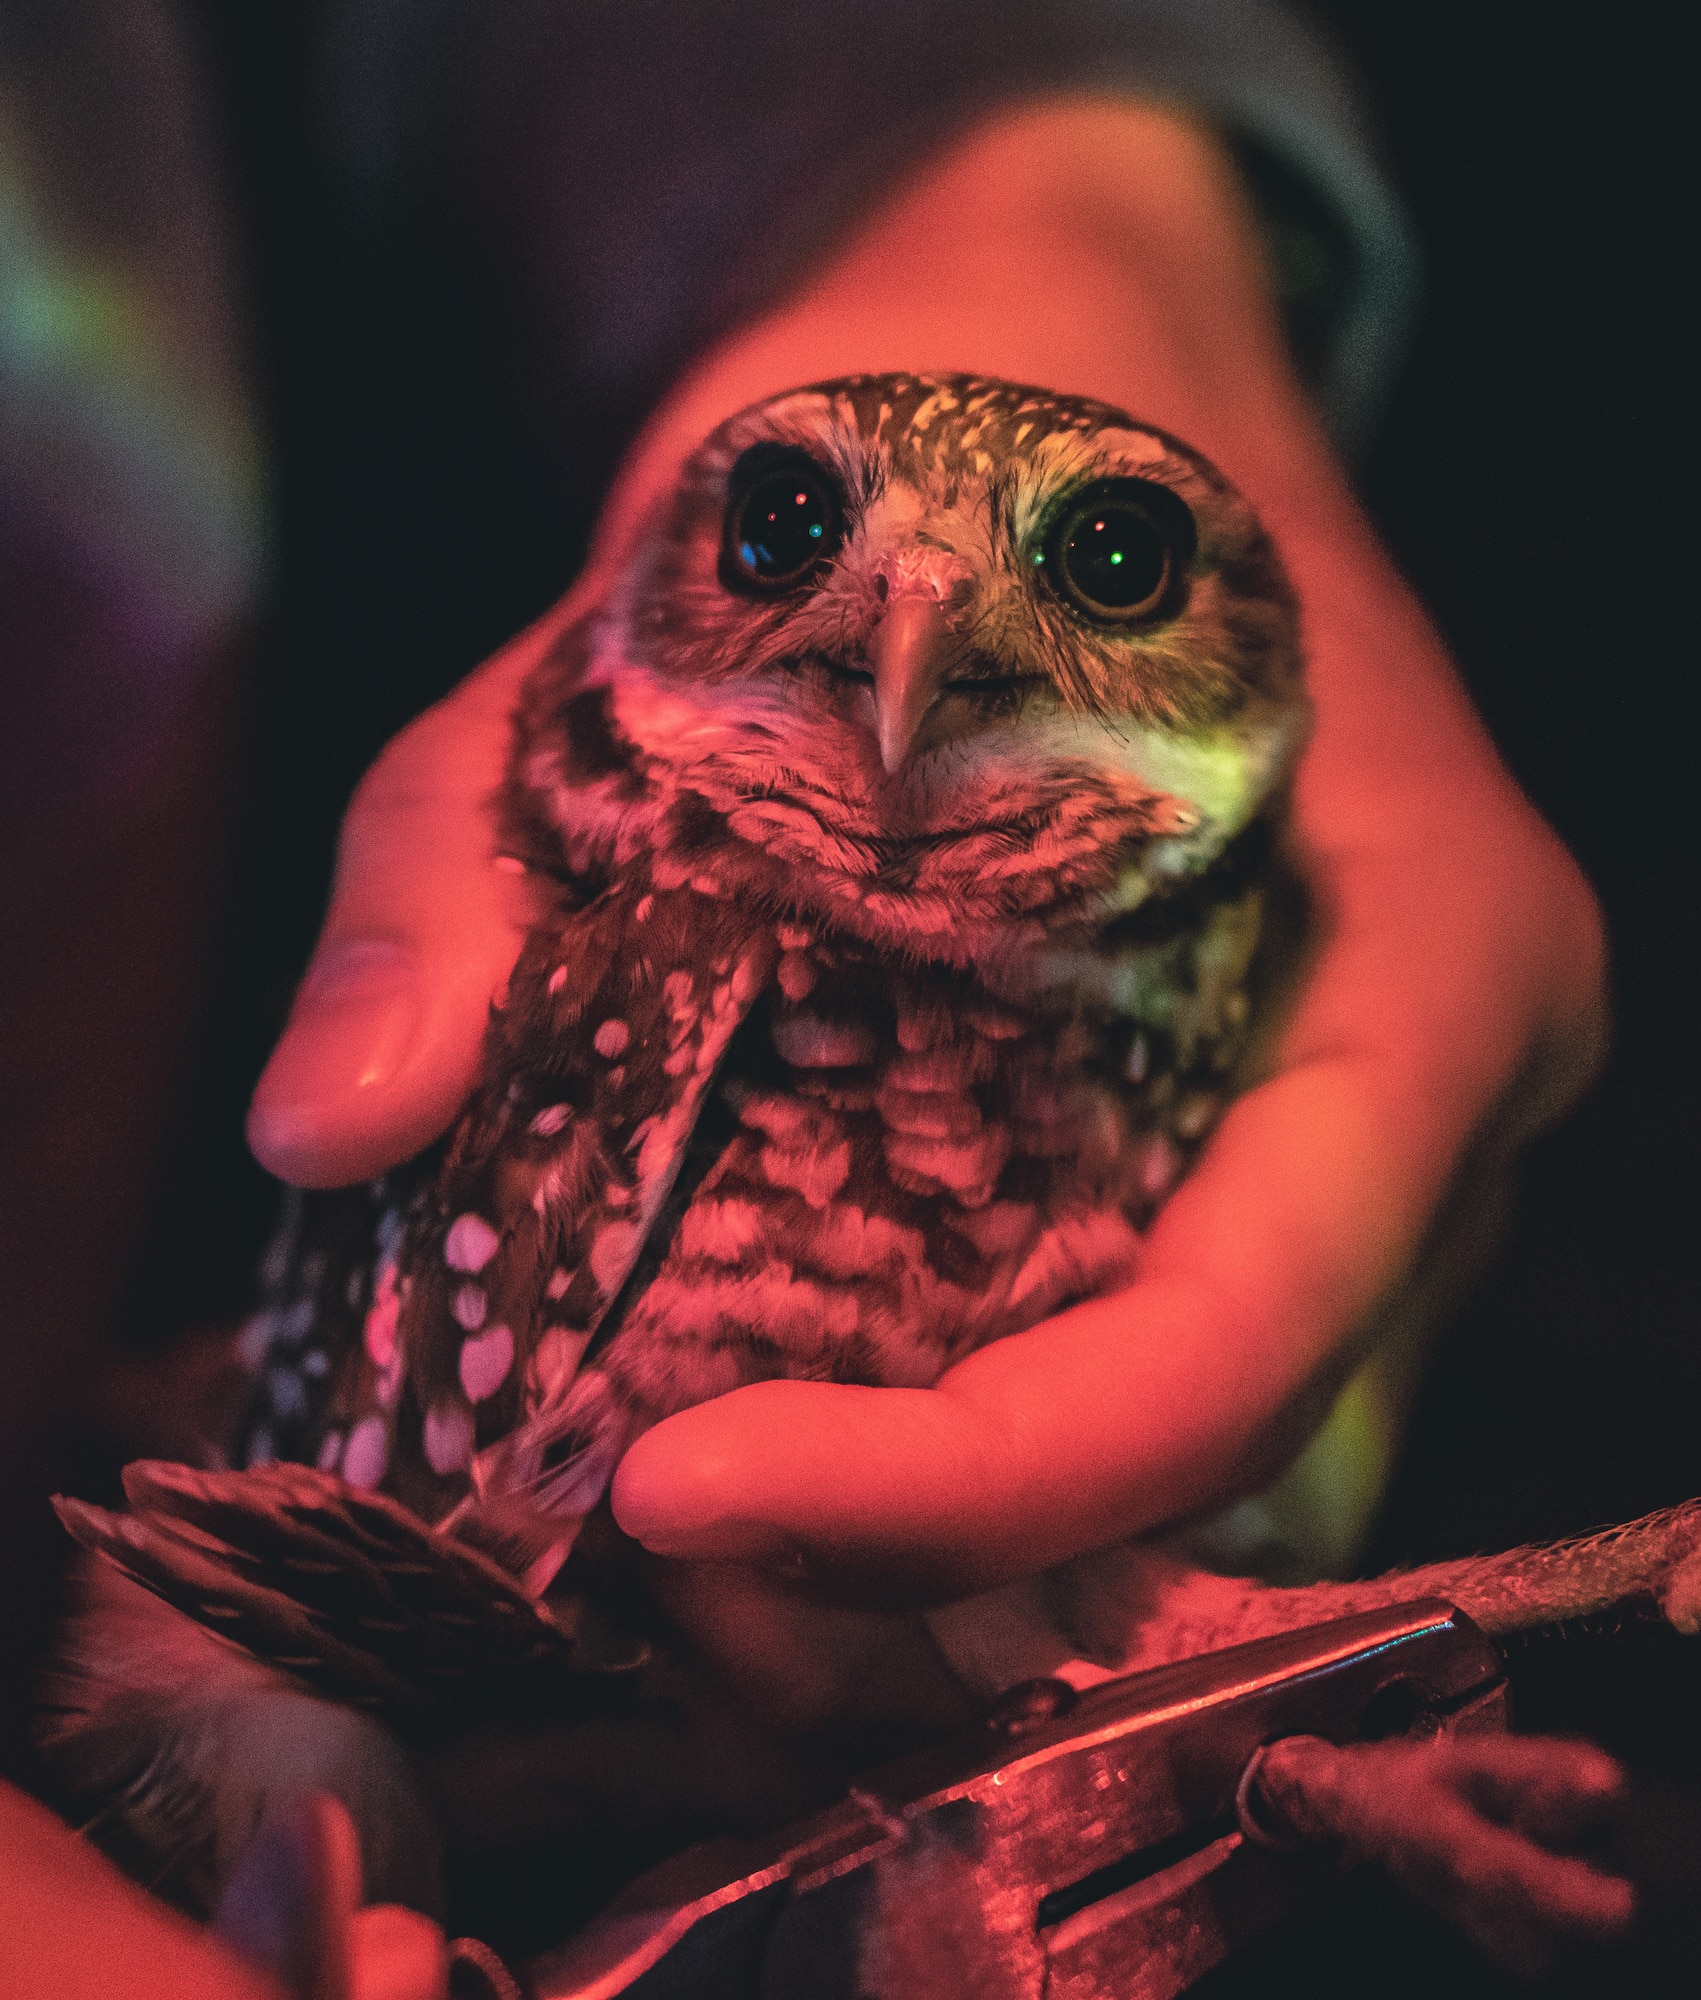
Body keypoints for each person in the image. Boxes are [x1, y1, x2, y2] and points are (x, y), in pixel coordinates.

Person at [0, 5, 1602, 1992]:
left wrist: (1038, 185)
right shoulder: (647, 941)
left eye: (1107, 560)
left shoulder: (1210, 931)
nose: (910, 619)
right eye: (790, 532)